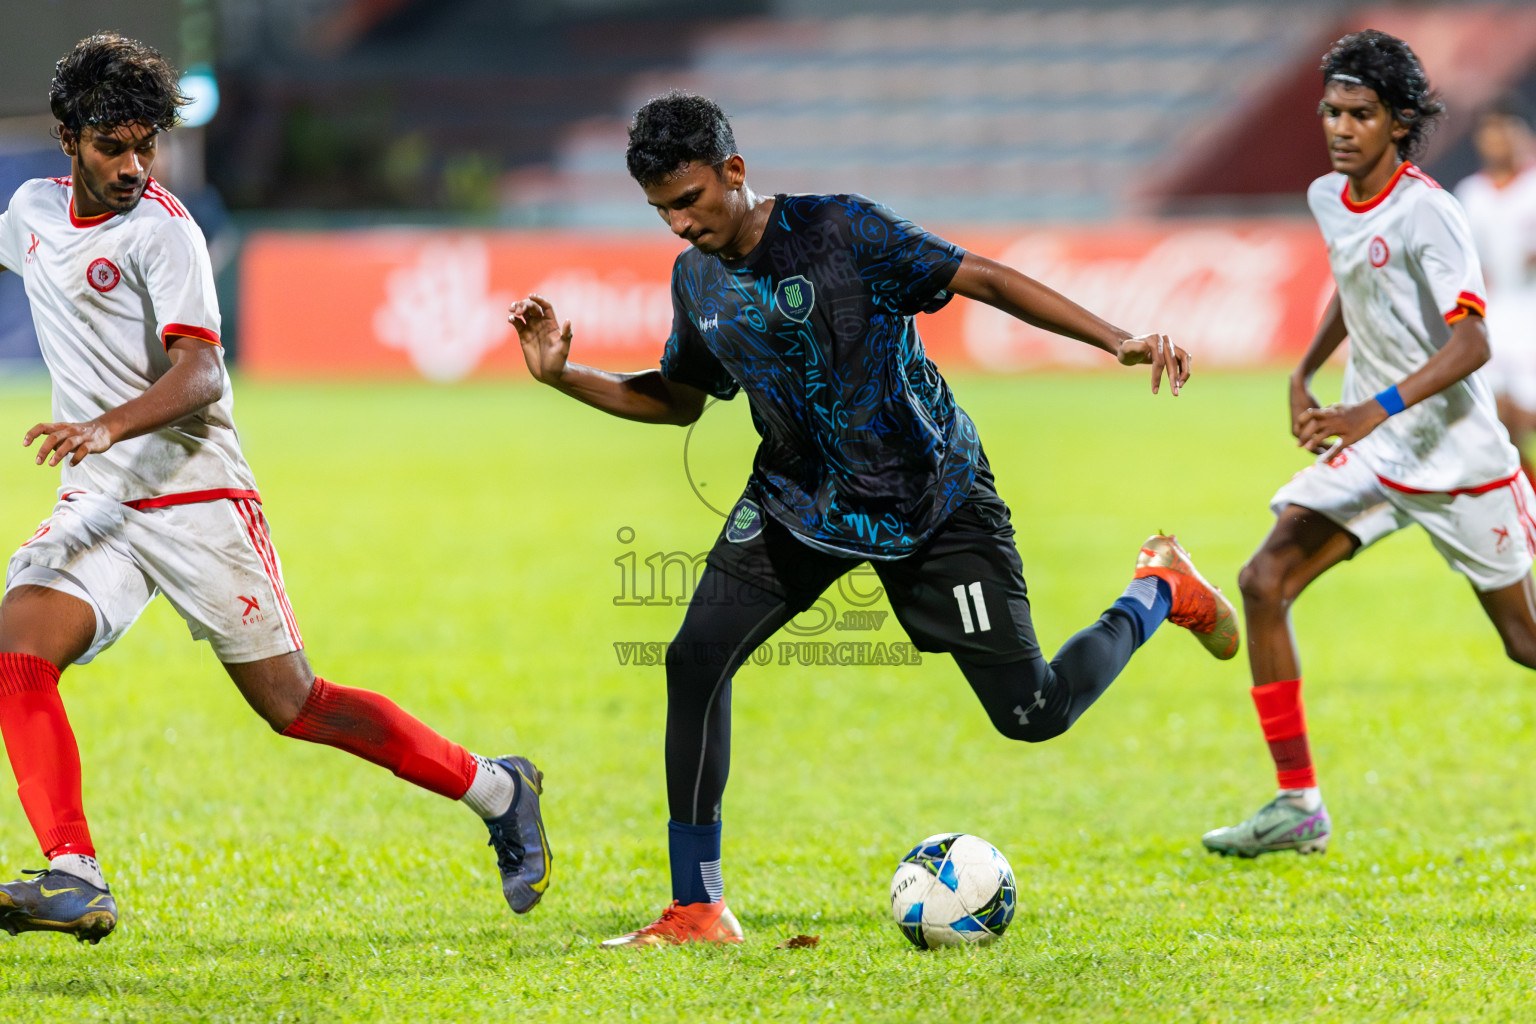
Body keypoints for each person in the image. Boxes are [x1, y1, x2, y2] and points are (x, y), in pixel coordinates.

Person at [512, 91, 1237, 948]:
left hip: (929, 499)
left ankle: (1158, 588)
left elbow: (985, 278)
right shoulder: (695, 279)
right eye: (661, 210)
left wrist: (1115, 338)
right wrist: (565, 376)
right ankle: (697, 906)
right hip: (795, 502)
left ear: (734, 173)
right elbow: (676, 401)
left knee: (1032, 712)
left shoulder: (843, 231)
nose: (678, 225)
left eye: (689, 202)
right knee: (693, 658)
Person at [0, 33, 550, 944]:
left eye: (148, 145)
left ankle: (499, 786)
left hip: (195, 498)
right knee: (18, 650)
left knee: (294, 706)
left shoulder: (165, 232)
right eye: (113, 147)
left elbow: (203, 376)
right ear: (68, 139)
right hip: (99, 505)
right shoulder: (31, 211)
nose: (135, 165)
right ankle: (74, 873)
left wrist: (104, 424)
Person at [1203, 31, 1535, 858]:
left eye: (1361, 114)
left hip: (1459, 458)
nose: (1341, 128)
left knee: (1526, 643)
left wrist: (1370, 410)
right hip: (1378, 452)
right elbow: (1357, 289)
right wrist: (1305, 370)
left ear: (1401, 122)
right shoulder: (1328, 198)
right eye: (1332, 111)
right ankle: (1297, 805)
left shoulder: (1432, 209)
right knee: (1263, 579)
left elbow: (1472, 346)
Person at [1454, 97, 1536, 482]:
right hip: (1497, 316)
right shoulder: (1471, 194)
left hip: (1532, 311)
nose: (1497, 140)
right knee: (1499, 420)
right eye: (1489, 132)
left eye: (1505, 130)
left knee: (1526, 415)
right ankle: (1528, 501)